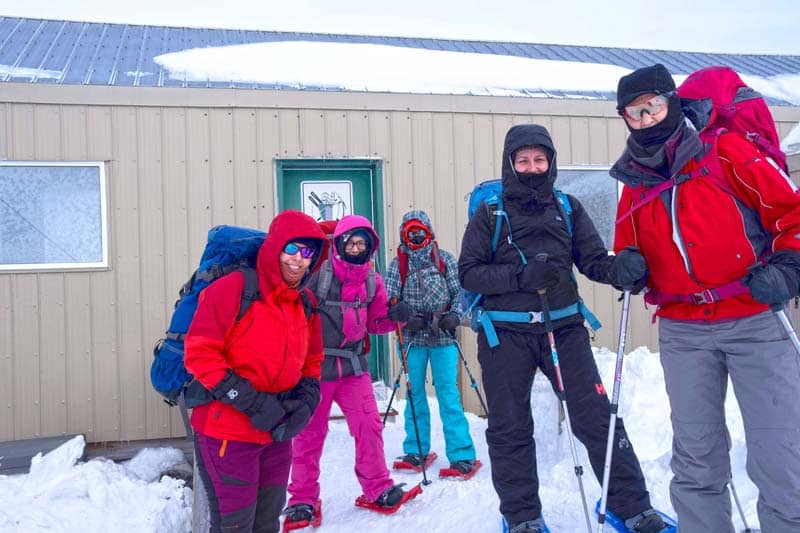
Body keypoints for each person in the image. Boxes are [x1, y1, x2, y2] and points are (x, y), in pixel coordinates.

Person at [611, 63, 800, 532]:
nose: (646, 119)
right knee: (696, 458)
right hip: (684, 329)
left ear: (672, 102)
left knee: (780, 453)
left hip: (754, 317)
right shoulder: (635, 177)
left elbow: (791, 213)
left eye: (653, 107)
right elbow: (627, 246)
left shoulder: (726, 151)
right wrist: (628, 266)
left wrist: (789, 269)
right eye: (634, 113)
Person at [458, 124, 670, 533]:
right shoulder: (490, 213)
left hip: (564, 328)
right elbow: (469, 273)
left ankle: (630, 506)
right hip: (506, 334)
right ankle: (522, 516)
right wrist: (520, 277)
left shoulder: (568, 207)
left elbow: (592, 260)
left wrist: (619, 270)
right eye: (523, 161)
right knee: (510, 426)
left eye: (539, 160)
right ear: (510, 164)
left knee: (596, 417)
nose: (532, 168)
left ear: (551, 162)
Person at [184, 209, 327, 533]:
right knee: (235, 525)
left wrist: (307, 402)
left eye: (308, 252)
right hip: (228, 432)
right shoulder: (234, 288)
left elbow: (312, 362)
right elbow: (200, 354)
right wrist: (252, 403)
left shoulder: (305, 303)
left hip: (276, 432)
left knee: (267, 521)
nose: (298, 259)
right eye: (291, 248)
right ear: (276, 247)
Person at [283, 215, 418, 529]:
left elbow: (376, 323)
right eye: (350, 243)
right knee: (308, 434)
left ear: (370, 247)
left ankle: (377, 487)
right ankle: (302, 499)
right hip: (315, 369)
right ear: (339, 244)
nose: (356, 249)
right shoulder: (318, 273)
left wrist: (396, 317)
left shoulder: (372, 280)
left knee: (369, 426)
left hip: (353, 368)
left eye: (362, 244)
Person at [384, 210, 479, 478]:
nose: (416, 238)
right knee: (413, 394)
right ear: (404, 236)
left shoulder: (444, 259)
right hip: (412, 339)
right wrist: (403, 316)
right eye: (410, 233)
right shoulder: (398, 265)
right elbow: (389, 299)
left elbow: (460, 294)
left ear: (429, 233)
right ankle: (416, 450)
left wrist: (454, 316)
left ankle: (462, 454)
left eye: (420, 232)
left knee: (448, 393)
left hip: (443, 335)